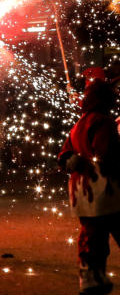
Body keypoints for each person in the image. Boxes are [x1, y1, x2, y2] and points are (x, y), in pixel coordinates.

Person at [58, 79, 120, 295]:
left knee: (93, 234)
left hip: (81, 190)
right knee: (98, 233)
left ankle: (95, 275)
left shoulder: (79, 124)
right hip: (103, 188)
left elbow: (64, 155)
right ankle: (90, 278)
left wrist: (73, 160)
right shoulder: (104, 122)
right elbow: (106, 155)